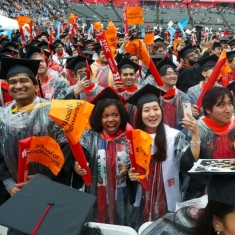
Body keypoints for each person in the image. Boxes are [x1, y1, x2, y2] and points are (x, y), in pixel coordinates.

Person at [0, 58, 74, 202]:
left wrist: (45, 177)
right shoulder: (2, 118)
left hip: (50, 186)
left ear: (35, 86)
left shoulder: (54, 112)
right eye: (13, 82)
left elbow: (67, 149)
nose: (18, 85)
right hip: (15, 190)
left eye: (24, 80)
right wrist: (9, 184)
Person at [126, 84, 199, 225]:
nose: (152, 114)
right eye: (146, 110)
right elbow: (131, 171)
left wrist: (195, 134)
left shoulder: (174, 136)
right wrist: (130, 174)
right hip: (143, 200)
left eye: (156, 109)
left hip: (167, 198)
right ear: (140, 114)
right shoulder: (133, 139)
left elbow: (189, 162)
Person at [73, 87, 133, 226]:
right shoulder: (89, 137)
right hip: (97, 194)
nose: (110, 120)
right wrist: (77, 165)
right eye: (105, 116)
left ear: (121, 116)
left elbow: (137, 162)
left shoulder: (129, 137)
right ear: (98, 118)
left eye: (115, 115)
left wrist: (129, 168)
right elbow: (82, 157)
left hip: (122, 195)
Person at [181, 86, 235, 200]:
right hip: (207, 190)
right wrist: (196, 135)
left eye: (230, 104)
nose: (228, 109)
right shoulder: (198, 128)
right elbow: (188, 164)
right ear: (208, 110)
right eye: (221, 105)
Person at [157, 57, 187, 130]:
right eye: (169, 74)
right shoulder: (155, 95)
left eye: (174, 73)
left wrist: (191, 112)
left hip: (178, 133)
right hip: (159, 132)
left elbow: (188, 115)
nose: (173, 76)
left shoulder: (183, 96)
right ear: (160, 77)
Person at [116, 57, 139, 126]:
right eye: (125, 75)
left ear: (135, 76)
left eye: (131, 74)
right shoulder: (116, 93)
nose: (129, 77)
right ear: (120, 76)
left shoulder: (141, 91)